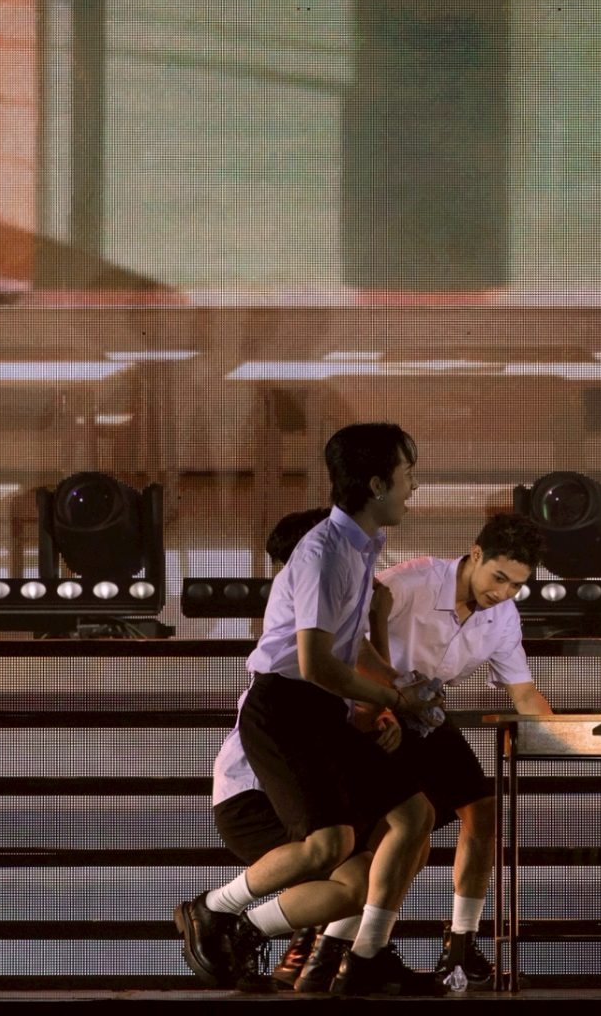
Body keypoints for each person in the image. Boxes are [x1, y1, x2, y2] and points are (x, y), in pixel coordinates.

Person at [175, 424, 443, 998]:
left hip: (316, 708)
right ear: (377, 484)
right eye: (408, 475)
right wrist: (395, 700)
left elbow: (348, 650)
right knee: (332, 848)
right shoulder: (325, 553)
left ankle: (364, 957)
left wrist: (399, 688)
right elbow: (316, 664)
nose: (414, 487)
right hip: (286, 708)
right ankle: (217, 912)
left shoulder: (361, 546)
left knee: (414, 816)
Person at [366, 512, 557, 991]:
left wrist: (567, 736)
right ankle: (357, 944)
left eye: (517, 585)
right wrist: (381, 701)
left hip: (424, 713)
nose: (504, 592)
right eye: (499, 577)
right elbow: (353, 635)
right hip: (372, 706)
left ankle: (461, 943)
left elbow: (523, 693)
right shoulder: (412, 580)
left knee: (482, 811)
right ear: (476, 554)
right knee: (400, 827)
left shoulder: (503, 615)